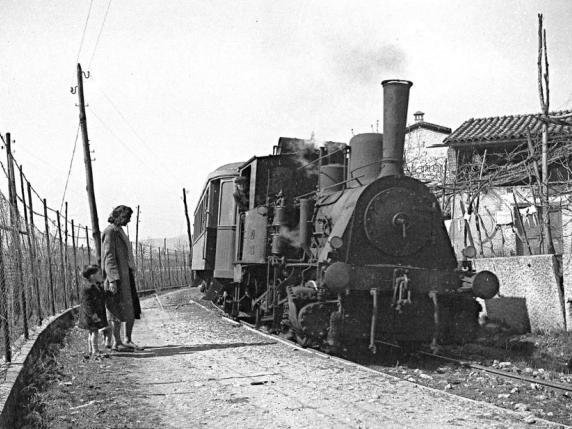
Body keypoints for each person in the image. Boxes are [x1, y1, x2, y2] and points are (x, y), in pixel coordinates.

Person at [102, 205, 142, 352]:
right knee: (116, 310)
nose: (129, 220)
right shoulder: (110, 231)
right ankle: (117, 342)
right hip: (117, 279)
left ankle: (127, 339)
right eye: (127, 217)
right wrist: (112, 279)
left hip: (126, 276)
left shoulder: (119, 231)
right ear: (120, 216)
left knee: (130, 308)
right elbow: (109, 257)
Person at [78, 265, 108, 358]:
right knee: (94, 332)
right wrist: (93, 315)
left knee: (92, 332)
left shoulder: (97, 285)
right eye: (98, 273)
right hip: (90, 315)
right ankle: (95, 351)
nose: (100, 275)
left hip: (95, 313)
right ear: (92, 276)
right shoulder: (87, 288)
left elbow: (103, 295)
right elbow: (87, 304)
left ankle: (91, 350)